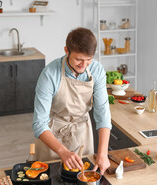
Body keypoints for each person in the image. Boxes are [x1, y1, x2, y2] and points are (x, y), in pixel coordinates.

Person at [32, 27, 111, 175]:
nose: (83, 65)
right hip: (53, 133)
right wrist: (62, 151)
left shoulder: (97, 70)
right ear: (66, 50)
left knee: (83, 181)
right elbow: (39, 124)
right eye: (78, 59)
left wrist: (103, 153)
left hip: (82, 133)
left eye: (88, 60)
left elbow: (103, 114)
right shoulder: (49, 74)